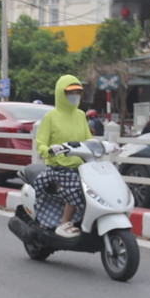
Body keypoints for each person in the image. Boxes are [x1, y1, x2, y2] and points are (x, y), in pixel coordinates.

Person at [33, 75, 93, 238]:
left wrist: (105, 145)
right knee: (75, 186)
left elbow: (89, 139)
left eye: (77, 92)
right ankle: (64, 223)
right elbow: (41, 143)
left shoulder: (81, 115)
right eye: (70, 92)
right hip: (59, 167)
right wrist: (50, 149)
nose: (75, 96)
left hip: (81, 165)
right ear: (61, 94)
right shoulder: (51, 117)